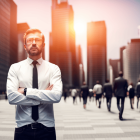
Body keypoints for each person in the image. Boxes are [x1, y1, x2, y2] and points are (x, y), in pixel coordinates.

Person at [6, 29, 62, 140]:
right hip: (22, 129)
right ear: (25, 46)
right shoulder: (15, 68)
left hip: (47, 129)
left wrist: (26, 91)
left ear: (44, 44)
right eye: (30, 40)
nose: (34, 42)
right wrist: (44, 95)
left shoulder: (53, 69)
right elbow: (12, 97)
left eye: (37, 40)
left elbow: (56, 96)